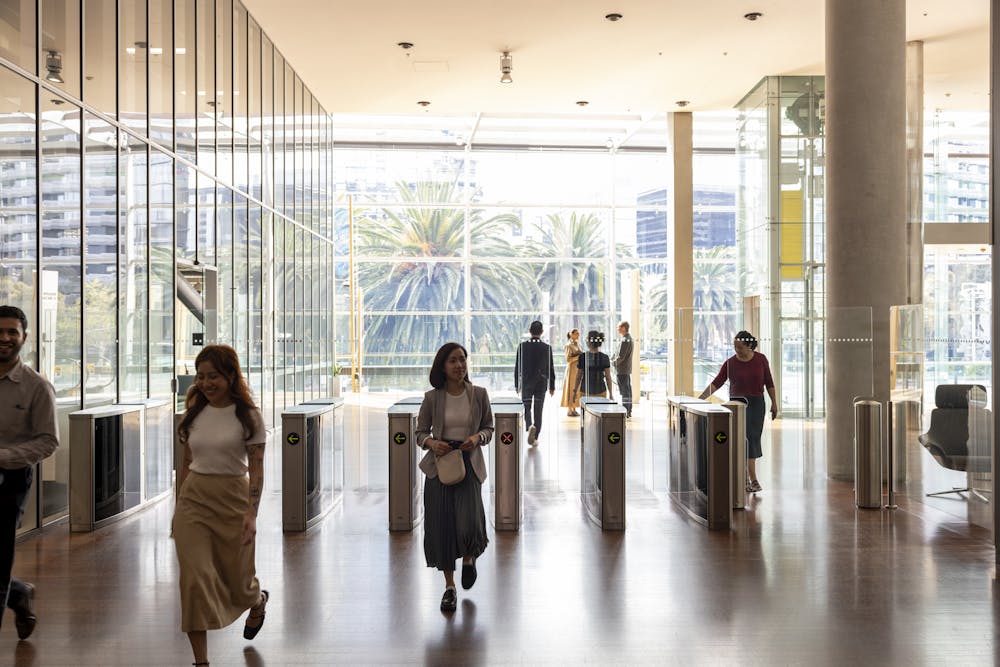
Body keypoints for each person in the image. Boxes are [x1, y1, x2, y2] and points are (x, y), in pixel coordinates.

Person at [173, 344, 269, 667]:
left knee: (240, 582)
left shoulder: (249, 416)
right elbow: (186, 463)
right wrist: (178, 507)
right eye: (200, 377)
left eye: (213, 376)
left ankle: (256, 600)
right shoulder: (194, 412)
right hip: (194, 500)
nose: (205, 383)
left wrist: (252, 513)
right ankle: (201, 662)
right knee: (194, 579)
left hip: (233, 500)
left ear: (230, 375)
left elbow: (257, 468)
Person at [416, 342, 494, 612]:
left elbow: (489, 428)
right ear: (442, 366)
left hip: (469, 463)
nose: (460, 365)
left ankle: (469, 558)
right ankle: (449, 587)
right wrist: (431, 443)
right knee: (442, 525)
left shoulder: (479, 394)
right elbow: (419, 433)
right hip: (440, 465)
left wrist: (478, 438)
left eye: (462, 359)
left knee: (470, 521)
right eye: (453, 360)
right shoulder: (432, 398)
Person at [0, 305, 58, 640]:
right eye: (0, 331)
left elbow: (48, 441)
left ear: (24, 337)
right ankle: (18, 592)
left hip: (8, 482)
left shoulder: (36, 386)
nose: (5, 338)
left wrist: (3, 457)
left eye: (12, 332)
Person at [698, 331, 777, 493]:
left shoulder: (761, 360)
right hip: (736, 404)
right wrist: (700, 399)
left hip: (756, 404)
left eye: (740, 347)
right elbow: (717, 383)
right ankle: (751, 479)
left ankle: (747, 478)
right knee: (744, 439)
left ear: (749, 346)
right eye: (735, 347)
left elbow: (769, 382)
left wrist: (774, 403)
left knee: (753, 439)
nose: (736, 350)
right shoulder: (730, 363)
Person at [513, 320, 555, 445]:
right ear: (542, 332)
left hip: (526, 381)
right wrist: (552, 385)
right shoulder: (546, 347)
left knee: (526, 406)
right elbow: (550, 367)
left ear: (529, 331)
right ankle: (535, 436)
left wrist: (517, 383)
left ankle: (529, 425)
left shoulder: (522, 346)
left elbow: (517, 366)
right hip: (541, 382)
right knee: (538, 409)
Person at [574, 330, 615, 402]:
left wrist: (575, 391)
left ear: (589, 342)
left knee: (586, 409)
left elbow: (578, 377)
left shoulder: (583, 357)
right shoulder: (604, 357)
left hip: (585, 391)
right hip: (601, 391)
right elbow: (608, 377)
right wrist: (611, 393)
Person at [560, 329, 584, 416]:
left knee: (576, 389)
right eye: (576, 333)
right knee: (571, 389)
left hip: (578, 369)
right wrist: (578, 356)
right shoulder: (568, 345)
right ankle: (570, 409)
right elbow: (568, 359)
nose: (578, 335)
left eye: (579, 333)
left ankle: (574, 408)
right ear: (571, 334)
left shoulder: (579, 344)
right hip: (572, 370)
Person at [614, 321, 634, 419]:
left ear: (623, 328)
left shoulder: (625, 340)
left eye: (618, 327)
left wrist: (612, 363)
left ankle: (626, 410)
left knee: (625, 391)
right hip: (625, 369)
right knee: (627, 390)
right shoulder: (628, 338)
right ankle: (628, 410)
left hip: (622, 369)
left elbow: (621, 357)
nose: (617, 329)